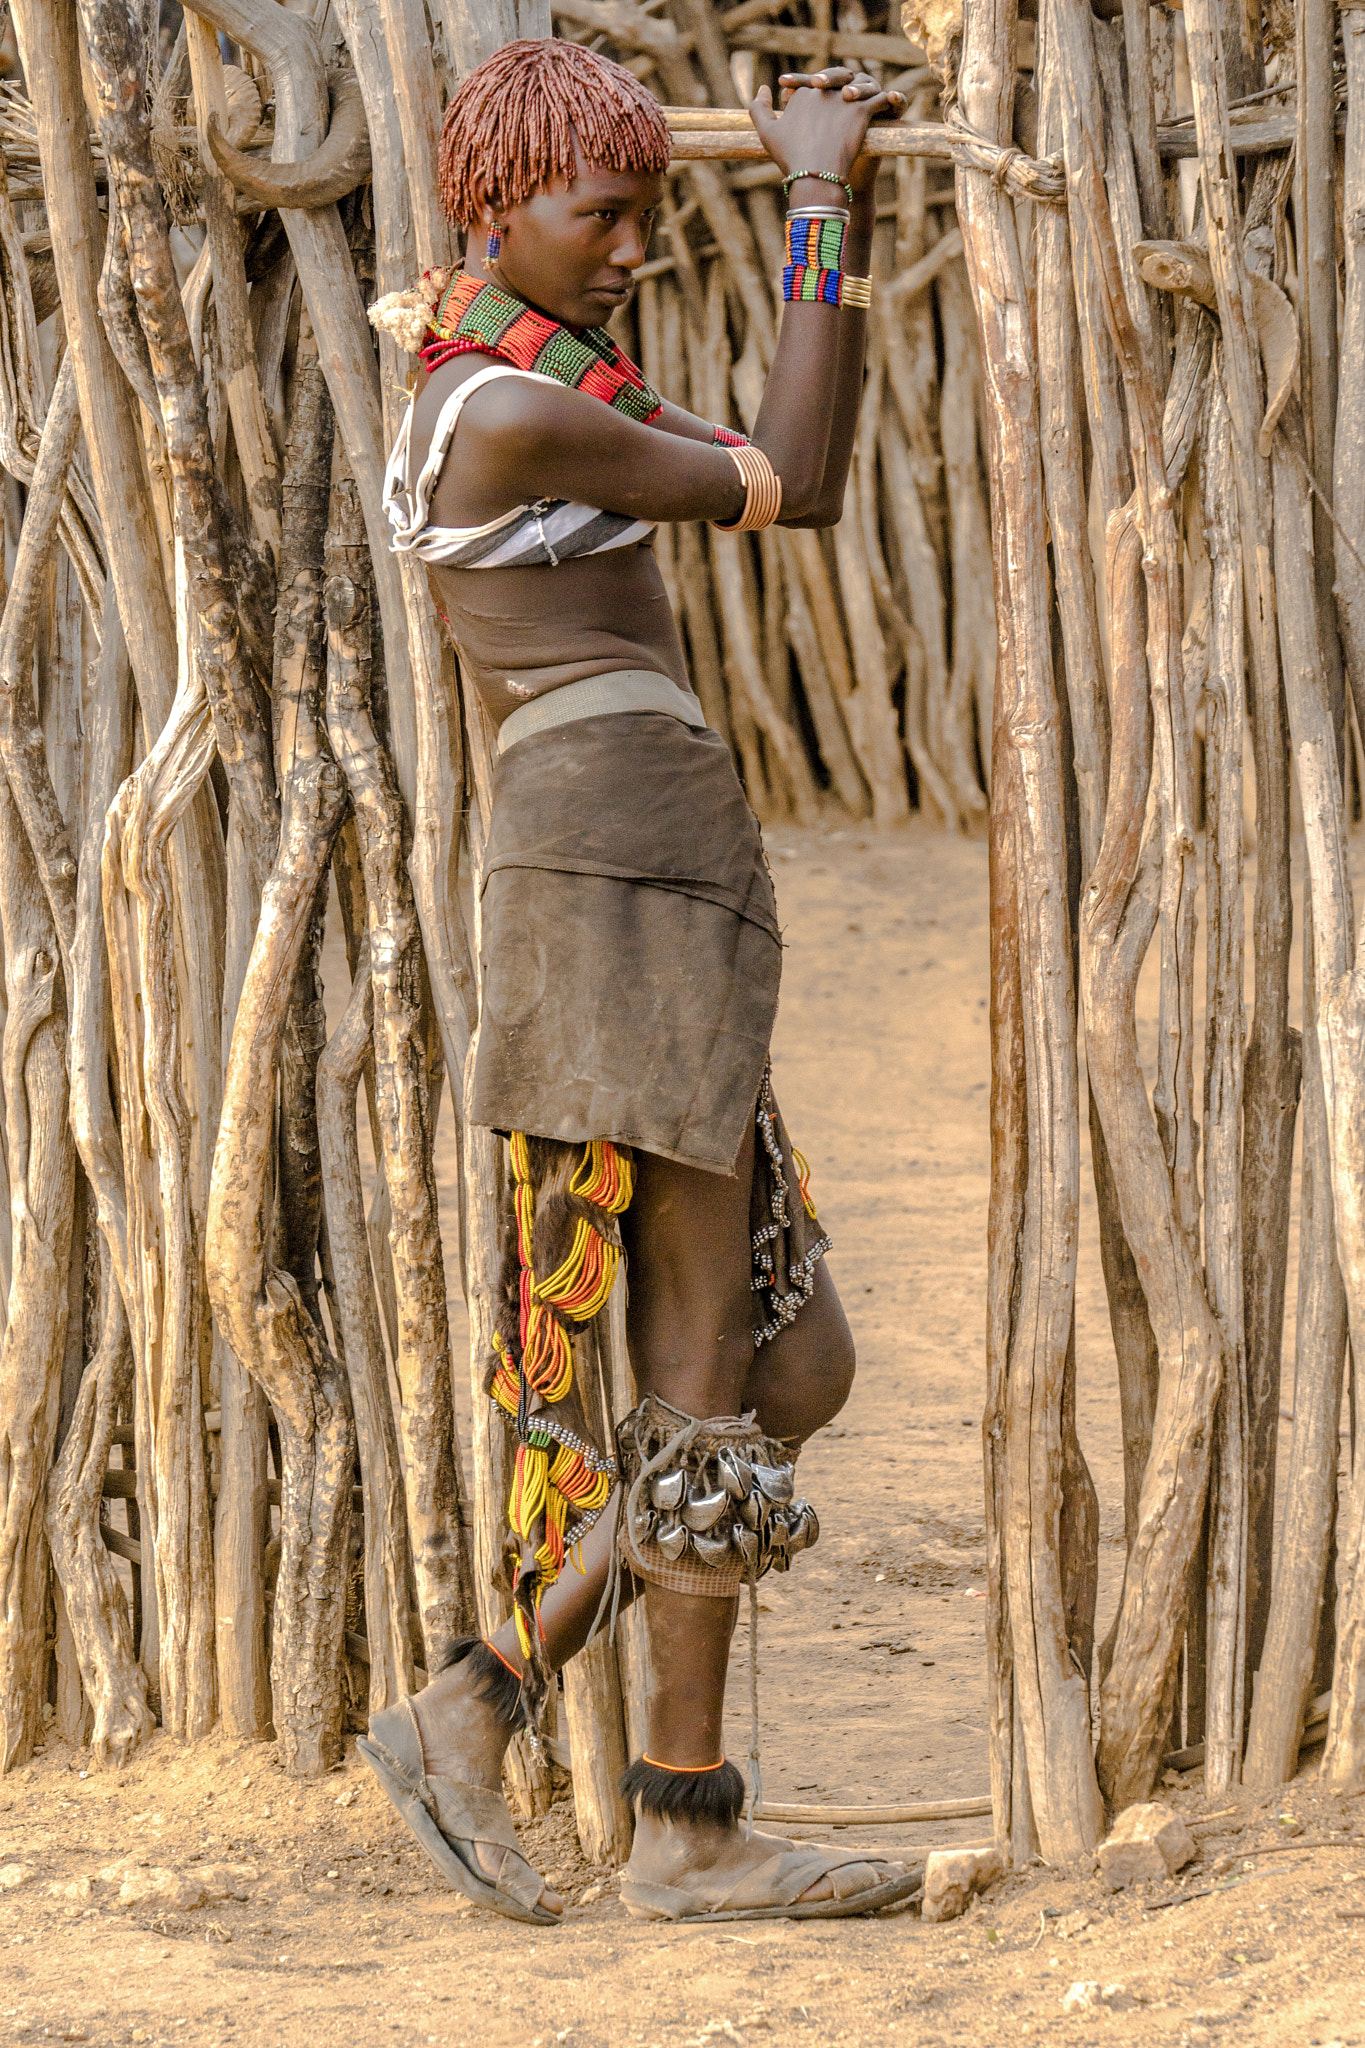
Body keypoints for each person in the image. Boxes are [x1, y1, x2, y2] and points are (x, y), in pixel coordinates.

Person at [361, 36, 916, 1927]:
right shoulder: (503, 417)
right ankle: (683, 1820)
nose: (625, 249)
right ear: (495, 211)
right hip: (615, 868)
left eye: (643, 213)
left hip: (645, 863)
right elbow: (807, 472)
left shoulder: (527, 379)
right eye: (599, 215)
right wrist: (821, 199)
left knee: (793, 1355)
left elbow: (728, 434)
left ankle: (489, 1696)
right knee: (698, 1357)